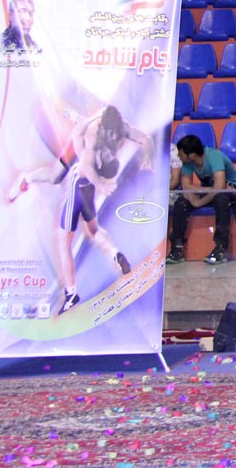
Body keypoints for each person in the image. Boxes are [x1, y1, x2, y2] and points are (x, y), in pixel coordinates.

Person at [12, 106, 152, 315]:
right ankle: (26, 178)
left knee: (71, 236)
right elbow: (85, 156)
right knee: (55, 177)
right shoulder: (95, 133)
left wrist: (146, 157)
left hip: (84, 173)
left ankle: (72, 292)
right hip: (81, 158)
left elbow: (144, 139)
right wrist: (101, 184)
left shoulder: (117, 130)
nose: (112, 138)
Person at [170, 134, 236, 264]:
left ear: (192, 155)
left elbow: (220, 187)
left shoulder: (214, 156)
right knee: (181, 202)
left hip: (232, 191)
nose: (179, 157)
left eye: (181, 154)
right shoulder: (188, 163)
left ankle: (221, 248)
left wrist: (199, 201)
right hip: (212, 190)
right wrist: (195, 197)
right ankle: (177, 248)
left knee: (221, 200)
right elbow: (186, 187)